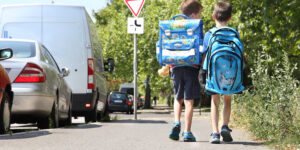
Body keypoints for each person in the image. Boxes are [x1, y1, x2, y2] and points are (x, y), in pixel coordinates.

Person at [167, 0, 203, 142]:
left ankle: (176, 122)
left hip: (175, 66)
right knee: (189, 101)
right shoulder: (195, 27)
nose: (200, 17)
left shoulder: (173, 26)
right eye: (199, 14)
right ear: (193, 14)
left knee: (178, 98)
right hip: (191, 67)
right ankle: (187, 132)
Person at [201, 1, 235, 144]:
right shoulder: (234, 33)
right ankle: (225, 126)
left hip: (214, 74)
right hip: (230, 74)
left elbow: (204, 55)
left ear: (213, 16)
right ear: (230, 18)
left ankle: (215, 133)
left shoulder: (209, 35)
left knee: (214, 102)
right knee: (227, 100)